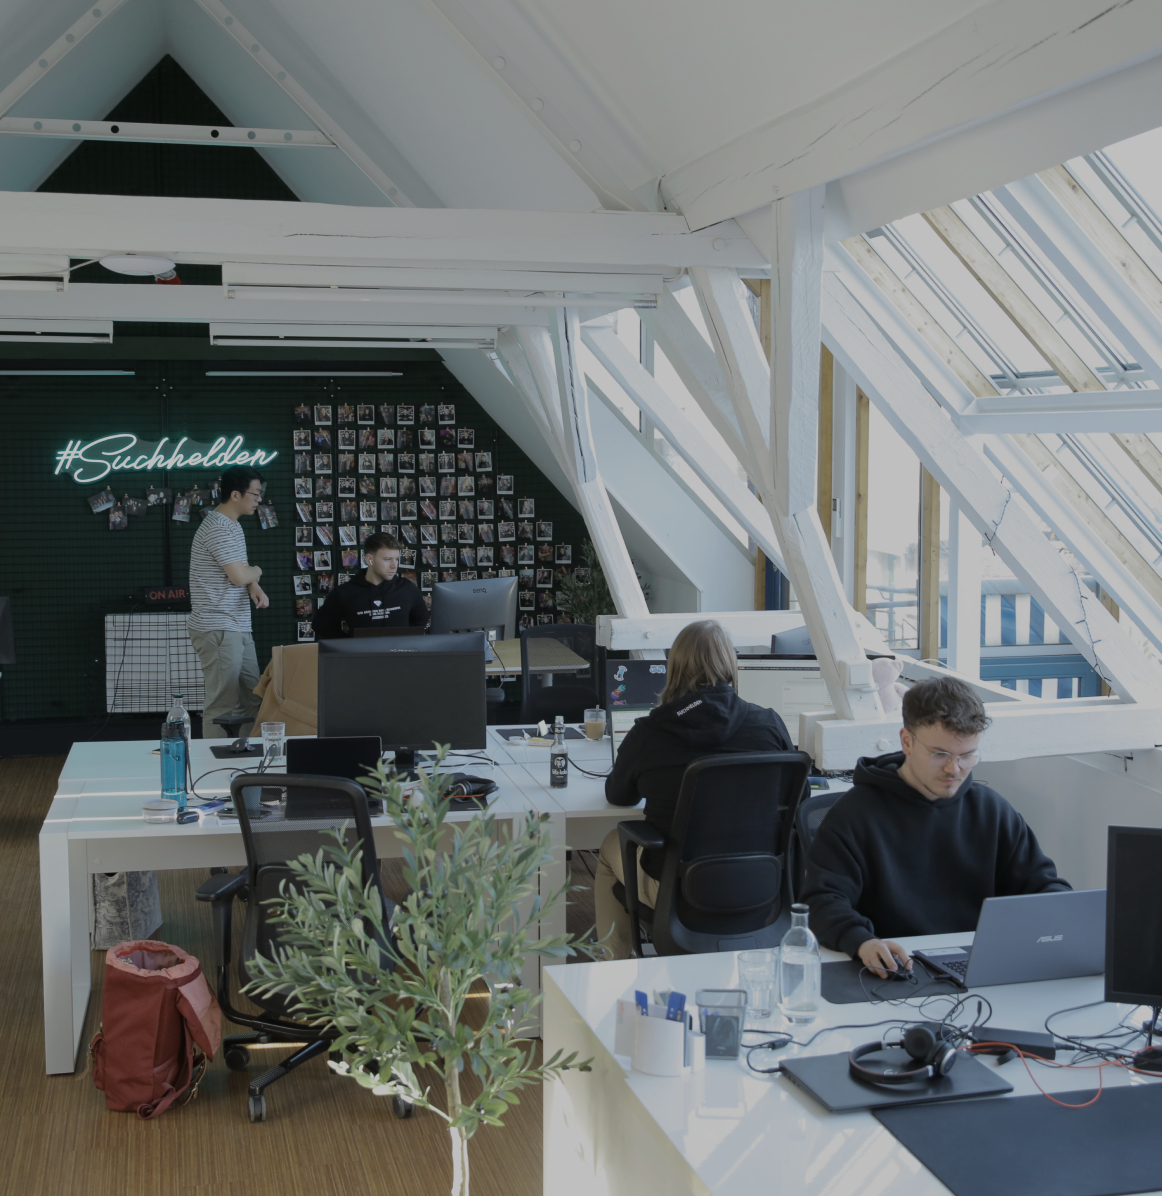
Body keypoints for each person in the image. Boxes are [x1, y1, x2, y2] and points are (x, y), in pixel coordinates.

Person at [801, 675, 1070, 978]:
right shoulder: (854, 814)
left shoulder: (992, 810)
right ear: (906, 741)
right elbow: (821, 901)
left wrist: (1064, 913)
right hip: (895, 967)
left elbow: (1040, 884)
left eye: (967, 756)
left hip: (979, 965)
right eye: (940, 754)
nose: (954, 769)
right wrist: (861, 942)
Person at [594, 619, 793, 959]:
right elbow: (795, 799)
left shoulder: (649, 732)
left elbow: (619, 795)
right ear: (729, 664)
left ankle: (613, 969)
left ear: (674, 667)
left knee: (611, 845)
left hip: (680, 889)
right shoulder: (769, 723)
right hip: (760, 883)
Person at [187, 466, 269, 739]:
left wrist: (253, 583)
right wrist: (257, 571)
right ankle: (211, 772)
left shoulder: (232, 525)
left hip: (236, 626)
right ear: (235, 494)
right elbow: (238, 575)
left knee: (252, 697)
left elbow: (240, 570)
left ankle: (249, 766)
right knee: (222, 704)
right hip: (218, 627)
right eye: (256, 494)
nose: (259, 499)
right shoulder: (218, 527)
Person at [312, 532, 426, 638]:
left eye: (396, 559)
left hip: (401, 657)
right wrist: (349, 646)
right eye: (387, 559)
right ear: (369, 559)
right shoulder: (344, 593)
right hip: (361, 659)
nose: (394, 565)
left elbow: (421, 621)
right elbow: (321, 626)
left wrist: (406, 643)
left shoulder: (407, 589)